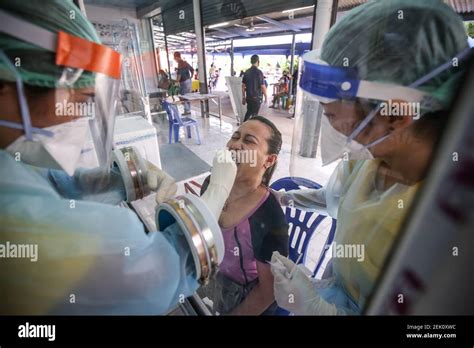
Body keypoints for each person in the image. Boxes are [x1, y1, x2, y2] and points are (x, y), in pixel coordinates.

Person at [0, 0, 237, 315]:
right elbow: (154, 276)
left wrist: (116, 177)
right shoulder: (17, 225)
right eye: (81, 101)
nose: (79, 117)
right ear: (7, 85)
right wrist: (216, 195)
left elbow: (51, 185)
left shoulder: (11, 163)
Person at [270, 0, 470, 315]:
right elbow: (334, 197)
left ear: (397, 114)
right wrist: (286, 198)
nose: (332, 125)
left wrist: (318, 310)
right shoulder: (371, 156)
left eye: (333, 113)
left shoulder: (446, 226)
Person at [198, 116, 288, 315]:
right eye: (235, 137)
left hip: (242, 295)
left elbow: (268, 291)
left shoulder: (268, 215)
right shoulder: (212, 185)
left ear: (269, 160)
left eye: (249, 141)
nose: (235, 145)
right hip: (212, 278)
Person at [242, 55, 268, 122]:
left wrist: (243, 97)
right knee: (254, 115)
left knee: (249, 112)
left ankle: (244, 125)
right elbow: (263, 86)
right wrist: (266, 97)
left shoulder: (247, 72)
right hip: (256, 97)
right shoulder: (259, 72)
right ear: (258, 61)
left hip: (249, 97)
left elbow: (243, 86)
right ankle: (249, 128)